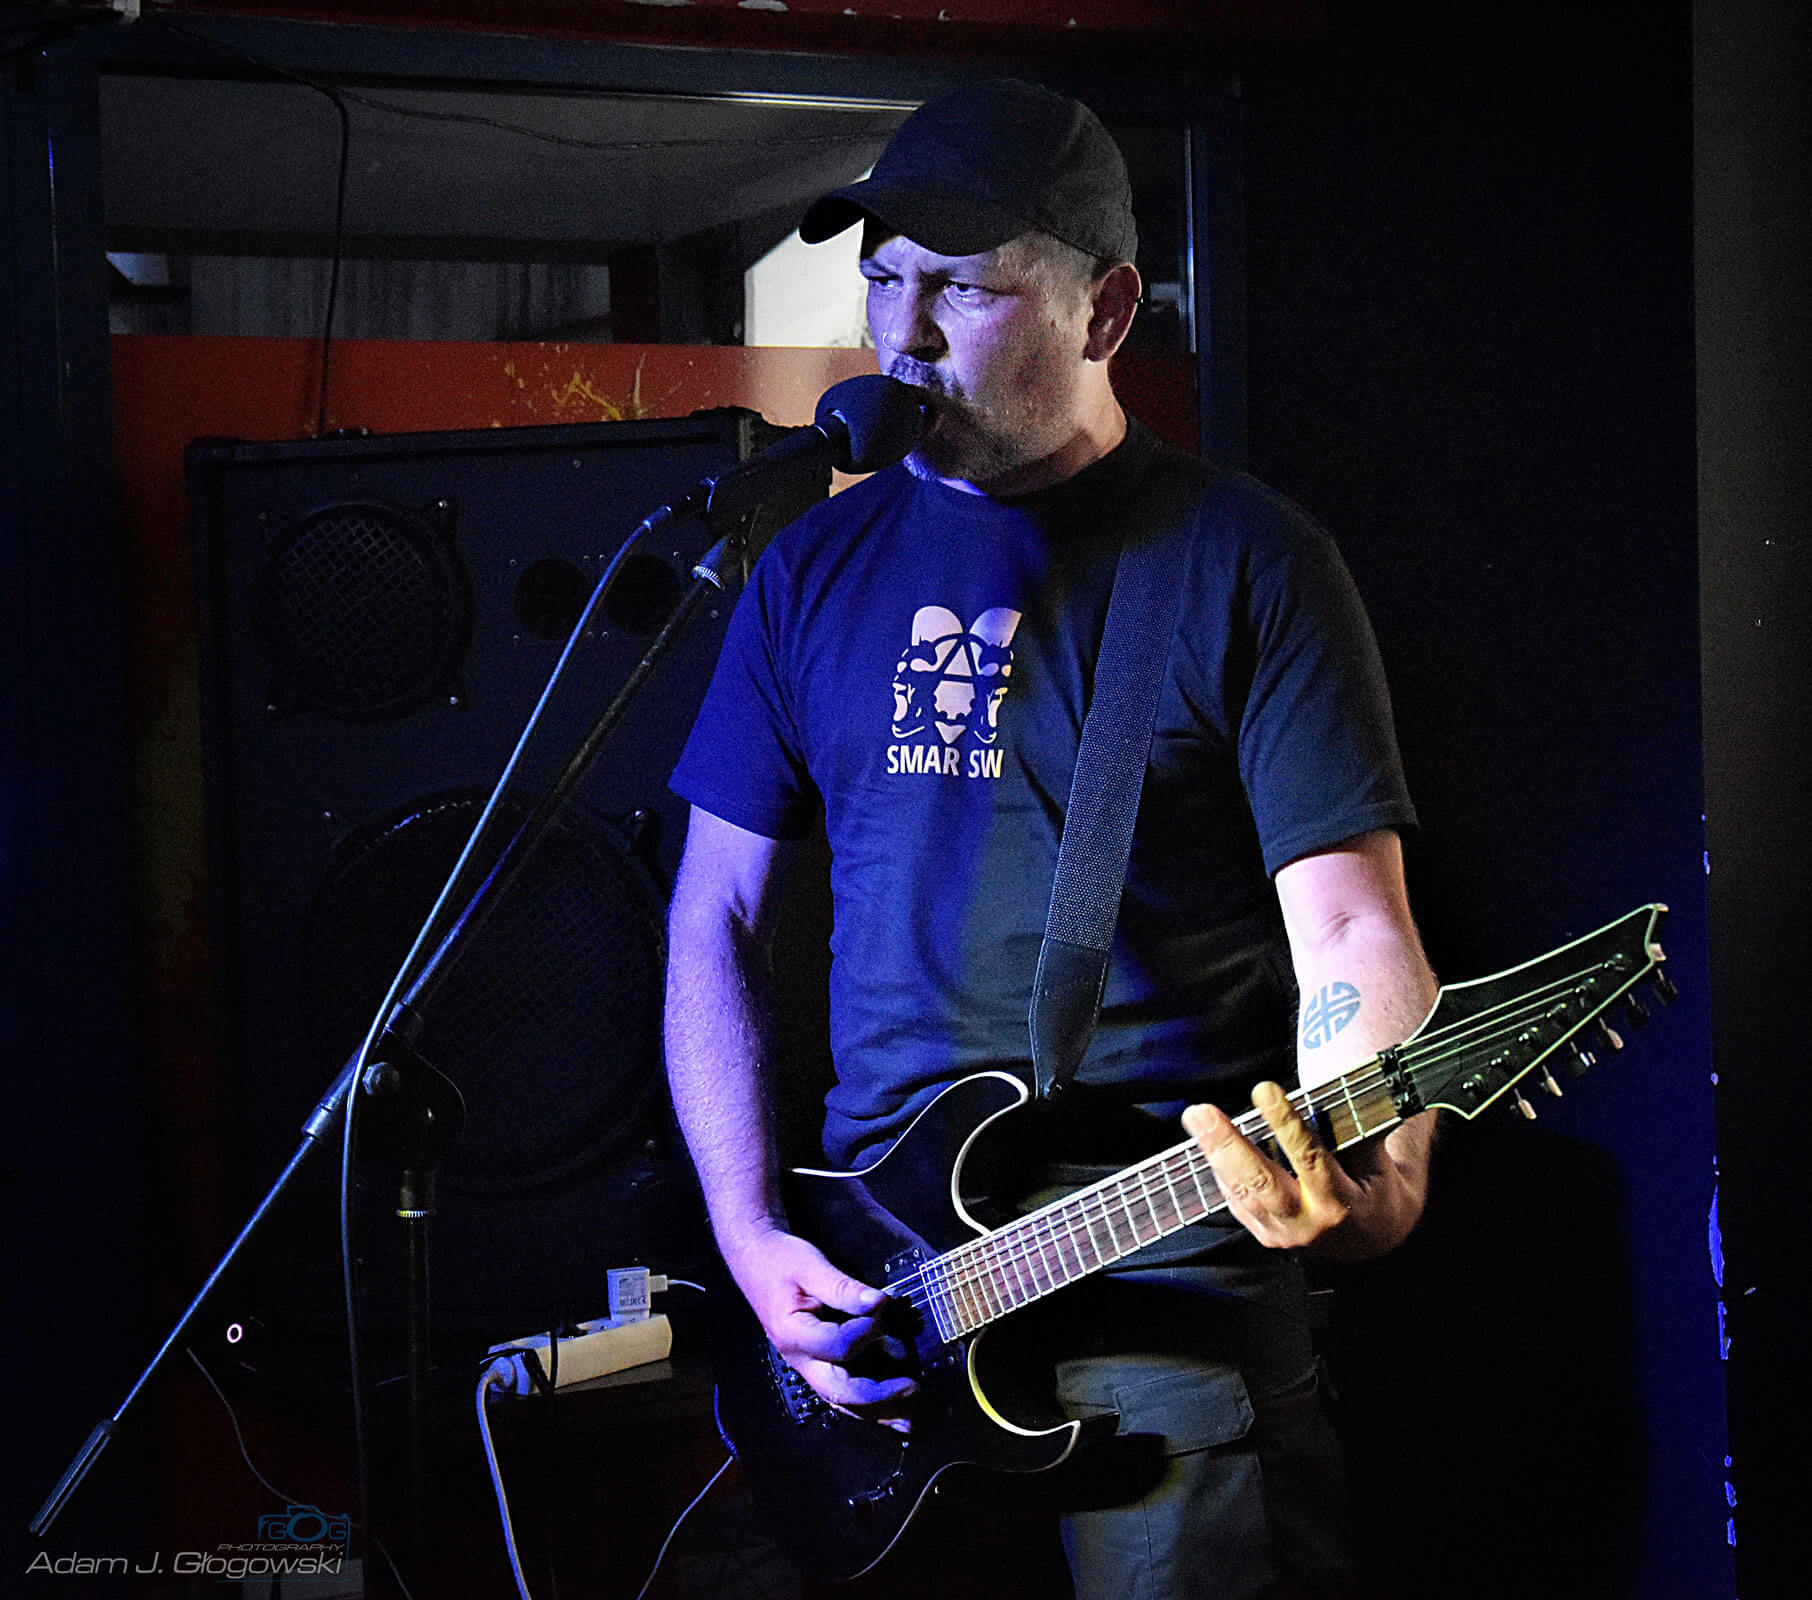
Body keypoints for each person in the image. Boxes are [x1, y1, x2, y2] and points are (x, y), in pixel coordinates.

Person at [664, 78, 1439, 1600]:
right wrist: (752, 1236)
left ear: (1108, 313)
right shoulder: (807, 570)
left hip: (1166, 1277)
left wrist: (1382, 1178)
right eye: (884, 277)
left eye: (964, 287)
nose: (904, 336)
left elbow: (1352, 925)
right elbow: (719, 920)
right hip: (886, 1279)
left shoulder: (1247, 562)